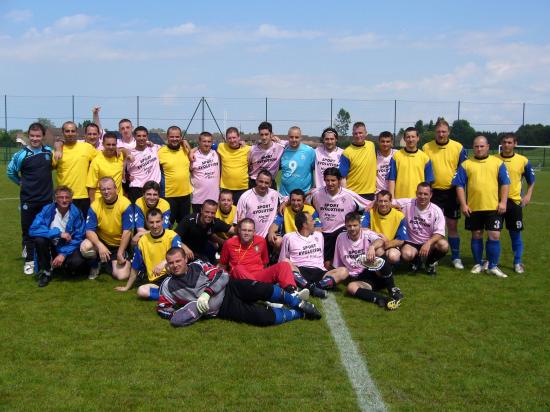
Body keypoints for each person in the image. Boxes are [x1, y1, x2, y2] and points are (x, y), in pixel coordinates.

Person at [157, 247, 321, 327]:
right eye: (171, 263)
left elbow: (222, 275)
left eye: (178, 261)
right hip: (223, 308)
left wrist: (207, 293)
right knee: (262, 319)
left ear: (185, 259)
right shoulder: (167, 286)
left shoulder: (198, 265)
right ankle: (298, 314)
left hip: (230, 288)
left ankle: (297, 302)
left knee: (262, 289)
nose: (175, 265)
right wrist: (186, 312)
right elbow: (163, 308)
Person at [452, 136, 510, 277]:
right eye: (476, 146)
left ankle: (493, 266)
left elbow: (505, 183)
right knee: (476, 235)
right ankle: (478, 263)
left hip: (493, 207)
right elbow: (459, 185)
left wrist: (503, 202)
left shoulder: (498, 163)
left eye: (482, 146)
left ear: (488, 146)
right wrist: (464, 204)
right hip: (474, 207)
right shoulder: (466, 164)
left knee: (494, 235)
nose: (479, 149)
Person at [7, 122, 54, 275]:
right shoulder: (21, 155)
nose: (35, 139)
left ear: (43, 136)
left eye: (38, 136)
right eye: (32, 136)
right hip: (28, 200)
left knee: (45, 229)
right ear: (29, 136)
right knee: (28, 231)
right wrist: (20, 182)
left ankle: (45, 258)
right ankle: (29, 260)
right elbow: (10, 172)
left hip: (47, 199)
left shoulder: (48, 152)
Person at [422, 119, 468, 269]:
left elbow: (463, 170)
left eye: (444, 131)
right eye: (438, 131)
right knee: (431, 227)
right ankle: (432, 256)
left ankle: (455, 257)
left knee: (452, 225)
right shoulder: (426, 147)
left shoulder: (458, 147)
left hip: (451, 193)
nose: (441, 134)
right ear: (435, 132)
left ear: (449, 132)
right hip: (433, 192)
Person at [333, 212, 402, 310]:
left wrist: (372, 247)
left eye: (355, 225)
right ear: (345, 225)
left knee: (379, 250)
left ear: (360, 225)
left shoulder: (367, 233)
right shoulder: (341, 237)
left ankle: (393, 289)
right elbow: (338, 260)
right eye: (349, 226)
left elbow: (381, 241)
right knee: (351, 287)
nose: (352, 228)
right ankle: (383, 299)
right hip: (360, 278)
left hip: (374, 271)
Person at [219, 218, 305, 294]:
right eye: (244, 230)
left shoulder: (261, 241)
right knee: (238, 269)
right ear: (239, 230)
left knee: (284, 265)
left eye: (250, 231)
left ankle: (292, 291)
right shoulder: (229, 243)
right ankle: (266, 293)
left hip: (258, 276)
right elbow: (222, 266)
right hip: (241, 279)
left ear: (254, 232)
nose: (246, 233)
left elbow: (265, 263)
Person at [309, 167, 371, 267]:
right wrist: (316, 222)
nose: (330, 183)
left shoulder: (349, 195)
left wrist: (363, 224)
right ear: (324, 180)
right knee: (326, 265)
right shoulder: (316, 194)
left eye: (333, 180)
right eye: (327, 180)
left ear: (339, 180)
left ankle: (350, 265)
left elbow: (369, 206)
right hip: (323, 231)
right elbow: (301, 202)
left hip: (342, 230)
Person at [115, 208, 182, 299]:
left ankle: (175, 291)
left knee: (171, 265)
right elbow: (135, 267)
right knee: (141, 291)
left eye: (157, 222)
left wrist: (163, 263)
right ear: (147, 222)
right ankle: (173, 294)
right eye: (151, 222)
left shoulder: (172, 236)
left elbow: (178, 255)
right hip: (156, 280)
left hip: (174, 274)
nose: (155, 226)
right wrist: (127, 287)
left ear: (162, 221)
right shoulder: (142, 241)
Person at [279, 212, 349, 298]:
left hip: (319, 271)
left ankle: (312, 287)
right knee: (285, 262)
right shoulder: (289, 237)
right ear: (305, 224)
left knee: (344, 271)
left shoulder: (319, 236)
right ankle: (313, 288)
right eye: (312, 220)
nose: (314, 222)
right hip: (300, 271)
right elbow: (282, 259)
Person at [29, 186, 88, 287]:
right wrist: (58, 233)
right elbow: (33, 229)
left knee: (76, 263)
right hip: (50, 245)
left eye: (67, 197)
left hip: (67, 246)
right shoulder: (47, 210)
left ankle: (64, 266)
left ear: (71, 199)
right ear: (55, 198)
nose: (64, 200)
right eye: (61, 197)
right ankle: (46, 272)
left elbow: (79, 237)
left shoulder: (76, 213)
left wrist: (63, 254)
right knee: (39, 240)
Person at [496, 133, 535, 273]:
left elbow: (531, 180)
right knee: (494, 234)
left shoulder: (523, 160)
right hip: (497, 202)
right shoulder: (494, 159)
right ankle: (493, 261)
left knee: (515, 234)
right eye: (504, 142)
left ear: (515, 144)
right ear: (501, 143)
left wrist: (528, 195)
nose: (507, 145)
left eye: (509, 142)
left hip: (514, 203)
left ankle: (517, 262)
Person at [81, 177, 133, 280]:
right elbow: (89, 230)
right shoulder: (95, 205)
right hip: (103, 241)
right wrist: (100, 245)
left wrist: (120, 252)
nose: (106, 192)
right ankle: (95, 265)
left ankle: (108, 262)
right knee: (85, 247)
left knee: (122, 276)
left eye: (109, 189)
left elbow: (127, 232)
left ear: (116, 189)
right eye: (103, 189)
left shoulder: (125, 204)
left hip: (119, 244)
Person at [395, 182, 449, 275]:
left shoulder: (436, 210)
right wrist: (374, 203)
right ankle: (416, 262)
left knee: (444, 245)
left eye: (425, 194)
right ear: (416, 193)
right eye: (420, 193)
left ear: (431, 195)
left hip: (428, 243)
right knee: (407, 254)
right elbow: (387, 201)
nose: (422, 196)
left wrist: (428, 243)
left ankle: (430, 263)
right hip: (411, 242)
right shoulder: (407, 203)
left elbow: (440, 233)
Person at [52, 121, 98, 217]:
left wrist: (120, 150)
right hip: (63, 197)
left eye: (73, 131)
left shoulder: (87, 148)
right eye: (67, 131)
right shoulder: (57, 152)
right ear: (63, 132)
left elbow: (103, 158)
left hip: (83, 196)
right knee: (64, 229)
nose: (70, 133)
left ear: (77, 132)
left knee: (83, 229)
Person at [361, 190, 407, 265]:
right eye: (380, 201)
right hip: (373, 244)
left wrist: (387, 243)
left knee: (394, 256)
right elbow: (362, 229)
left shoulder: (399, 216)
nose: (383, 204)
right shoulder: (370, 212)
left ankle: (384, 267)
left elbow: (401, 240)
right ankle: (382, 270)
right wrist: (378, 236)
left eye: (385, 201)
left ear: (390, 201)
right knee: (378, 251)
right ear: (377, 202)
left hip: (390, 245)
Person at [158, 125, 192, 225]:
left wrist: (186, 143)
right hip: (169, 196)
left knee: (185, 226)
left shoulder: (185, 149)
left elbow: (193, 156)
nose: (174, 139)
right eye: (172, 137)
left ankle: (182, 241)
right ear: (167, 137)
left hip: (185, 195)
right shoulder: (160, 152)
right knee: (167, 225)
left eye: (177, 137)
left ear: (181, 137)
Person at [388, 127, 434, 199]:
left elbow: (428, 183)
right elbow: (391, 179)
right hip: (400, 200)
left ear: (418, 138)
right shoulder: (396, 156)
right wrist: (392, 199)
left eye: (413, 137)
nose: (411, 139)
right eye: (408, 137)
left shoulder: (425, 158)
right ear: (404, 139)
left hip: (419, 200)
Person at [236, 169, 281, 238]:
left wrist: (284, 203)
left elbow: (287, 200)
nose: (263, 185)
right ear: (256, 181)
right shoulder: (245, 197)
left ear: (270, 184)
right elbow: (238, 223)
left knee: (278, 241)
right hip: (252, 236)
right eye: (261, 181)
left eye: (266, 183)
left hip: (268, 235)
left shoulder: (274, 194)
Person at [339, 122, 377, 200]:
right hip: (353, 194)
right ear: (352, 134)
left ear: (366, 133)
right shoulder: (347, 152)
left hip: (370, 193)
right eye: (355, 133)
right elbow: (342, 177)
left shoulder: (371, 145)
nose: (358, 135)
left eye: (360, 133)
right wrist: (345, 195)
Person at [125, 126, 162, 203]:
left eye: (144, 136)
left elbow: (170, 147)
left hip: (153, 188)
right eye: (139, 136)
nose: (141, 138)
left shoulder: (155, 148)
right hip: (136, 189)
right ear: (134, 136)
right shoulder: (129, 153)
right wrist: (127, 176)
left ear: (147, 137)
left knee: (153, 214)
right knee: (137, 214)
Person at [85, 132, 125, 202]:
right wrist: (93, 205)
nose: (111, 147)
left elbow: (128, 150)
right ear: (103, 144)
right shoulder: (96, 161)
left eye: (113, 145)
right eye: (108, 144)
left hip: (118, 201)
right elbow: (91, 187)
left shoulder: (120, 156)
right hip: (101, 201)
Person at [217, 127, 251, 203]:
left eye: (234, 137)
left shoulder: (247, 149)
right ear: (226, 139)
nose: (232, 140)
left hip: (243, 188)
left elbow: (262, 147)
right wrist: (193, 150)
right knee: (226, 213)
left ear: (239, 137)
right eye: (229, 138)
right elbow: (205, 146)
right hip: (226, 188)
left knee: (241, 213)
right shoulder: (221, 147)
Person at [279, 126, 315, 196]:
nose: (294, 139)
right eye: (291, 137)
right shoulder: (282, 150)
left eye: (296, 137)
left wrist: (314, 187)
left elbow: (317, 170)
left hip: (303, 196)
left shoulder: (309, 151)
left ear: (301, 138)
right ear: (288, 137)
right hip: (284, 195)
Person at [248, 121, 284, 189]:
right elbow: (246, 166)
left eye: (266, 134)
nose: (264, 137)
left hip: (270, 183)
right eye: (261, 135)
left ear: (271, 134)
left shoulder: (280, 147)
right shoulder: (252, 150)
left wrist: (280, 141)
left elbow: (293, 142)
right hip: (254, 182)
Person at [190, 132, 220, 213]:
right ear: (199, 142)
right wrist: (192, 151)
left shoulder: (217, 153)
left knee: (213, 223)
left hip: (214, 198)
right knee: (198, 223)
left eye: (209, 141)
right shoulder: (192, 156)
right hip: (198, 199)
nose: (207, 144)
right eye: (204, 141)